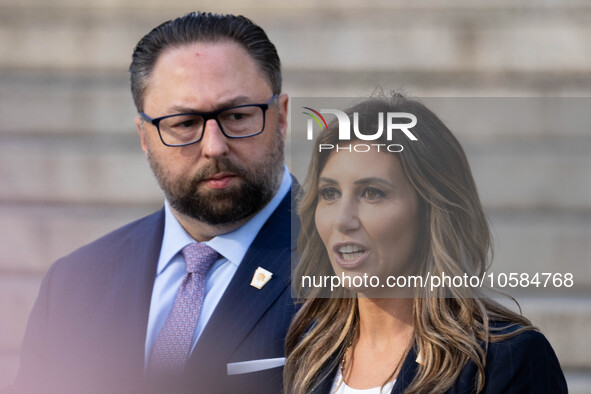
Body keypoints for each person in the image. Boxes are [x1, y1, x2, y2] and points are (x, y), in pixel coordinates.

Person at [9, 12, 298, 394]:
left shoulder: (362, 270)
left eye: (238, 116)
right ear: (145, 137)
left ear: (281, 117)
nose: (214, 146)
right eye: (184, 124)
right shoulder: (73, 284)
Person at [284, 94, 568, 393]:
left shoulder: (508, 358)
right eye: (329, 193)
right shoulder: (307, 349)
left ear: (430, 210)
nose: (342, 220)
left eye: (372, 193)